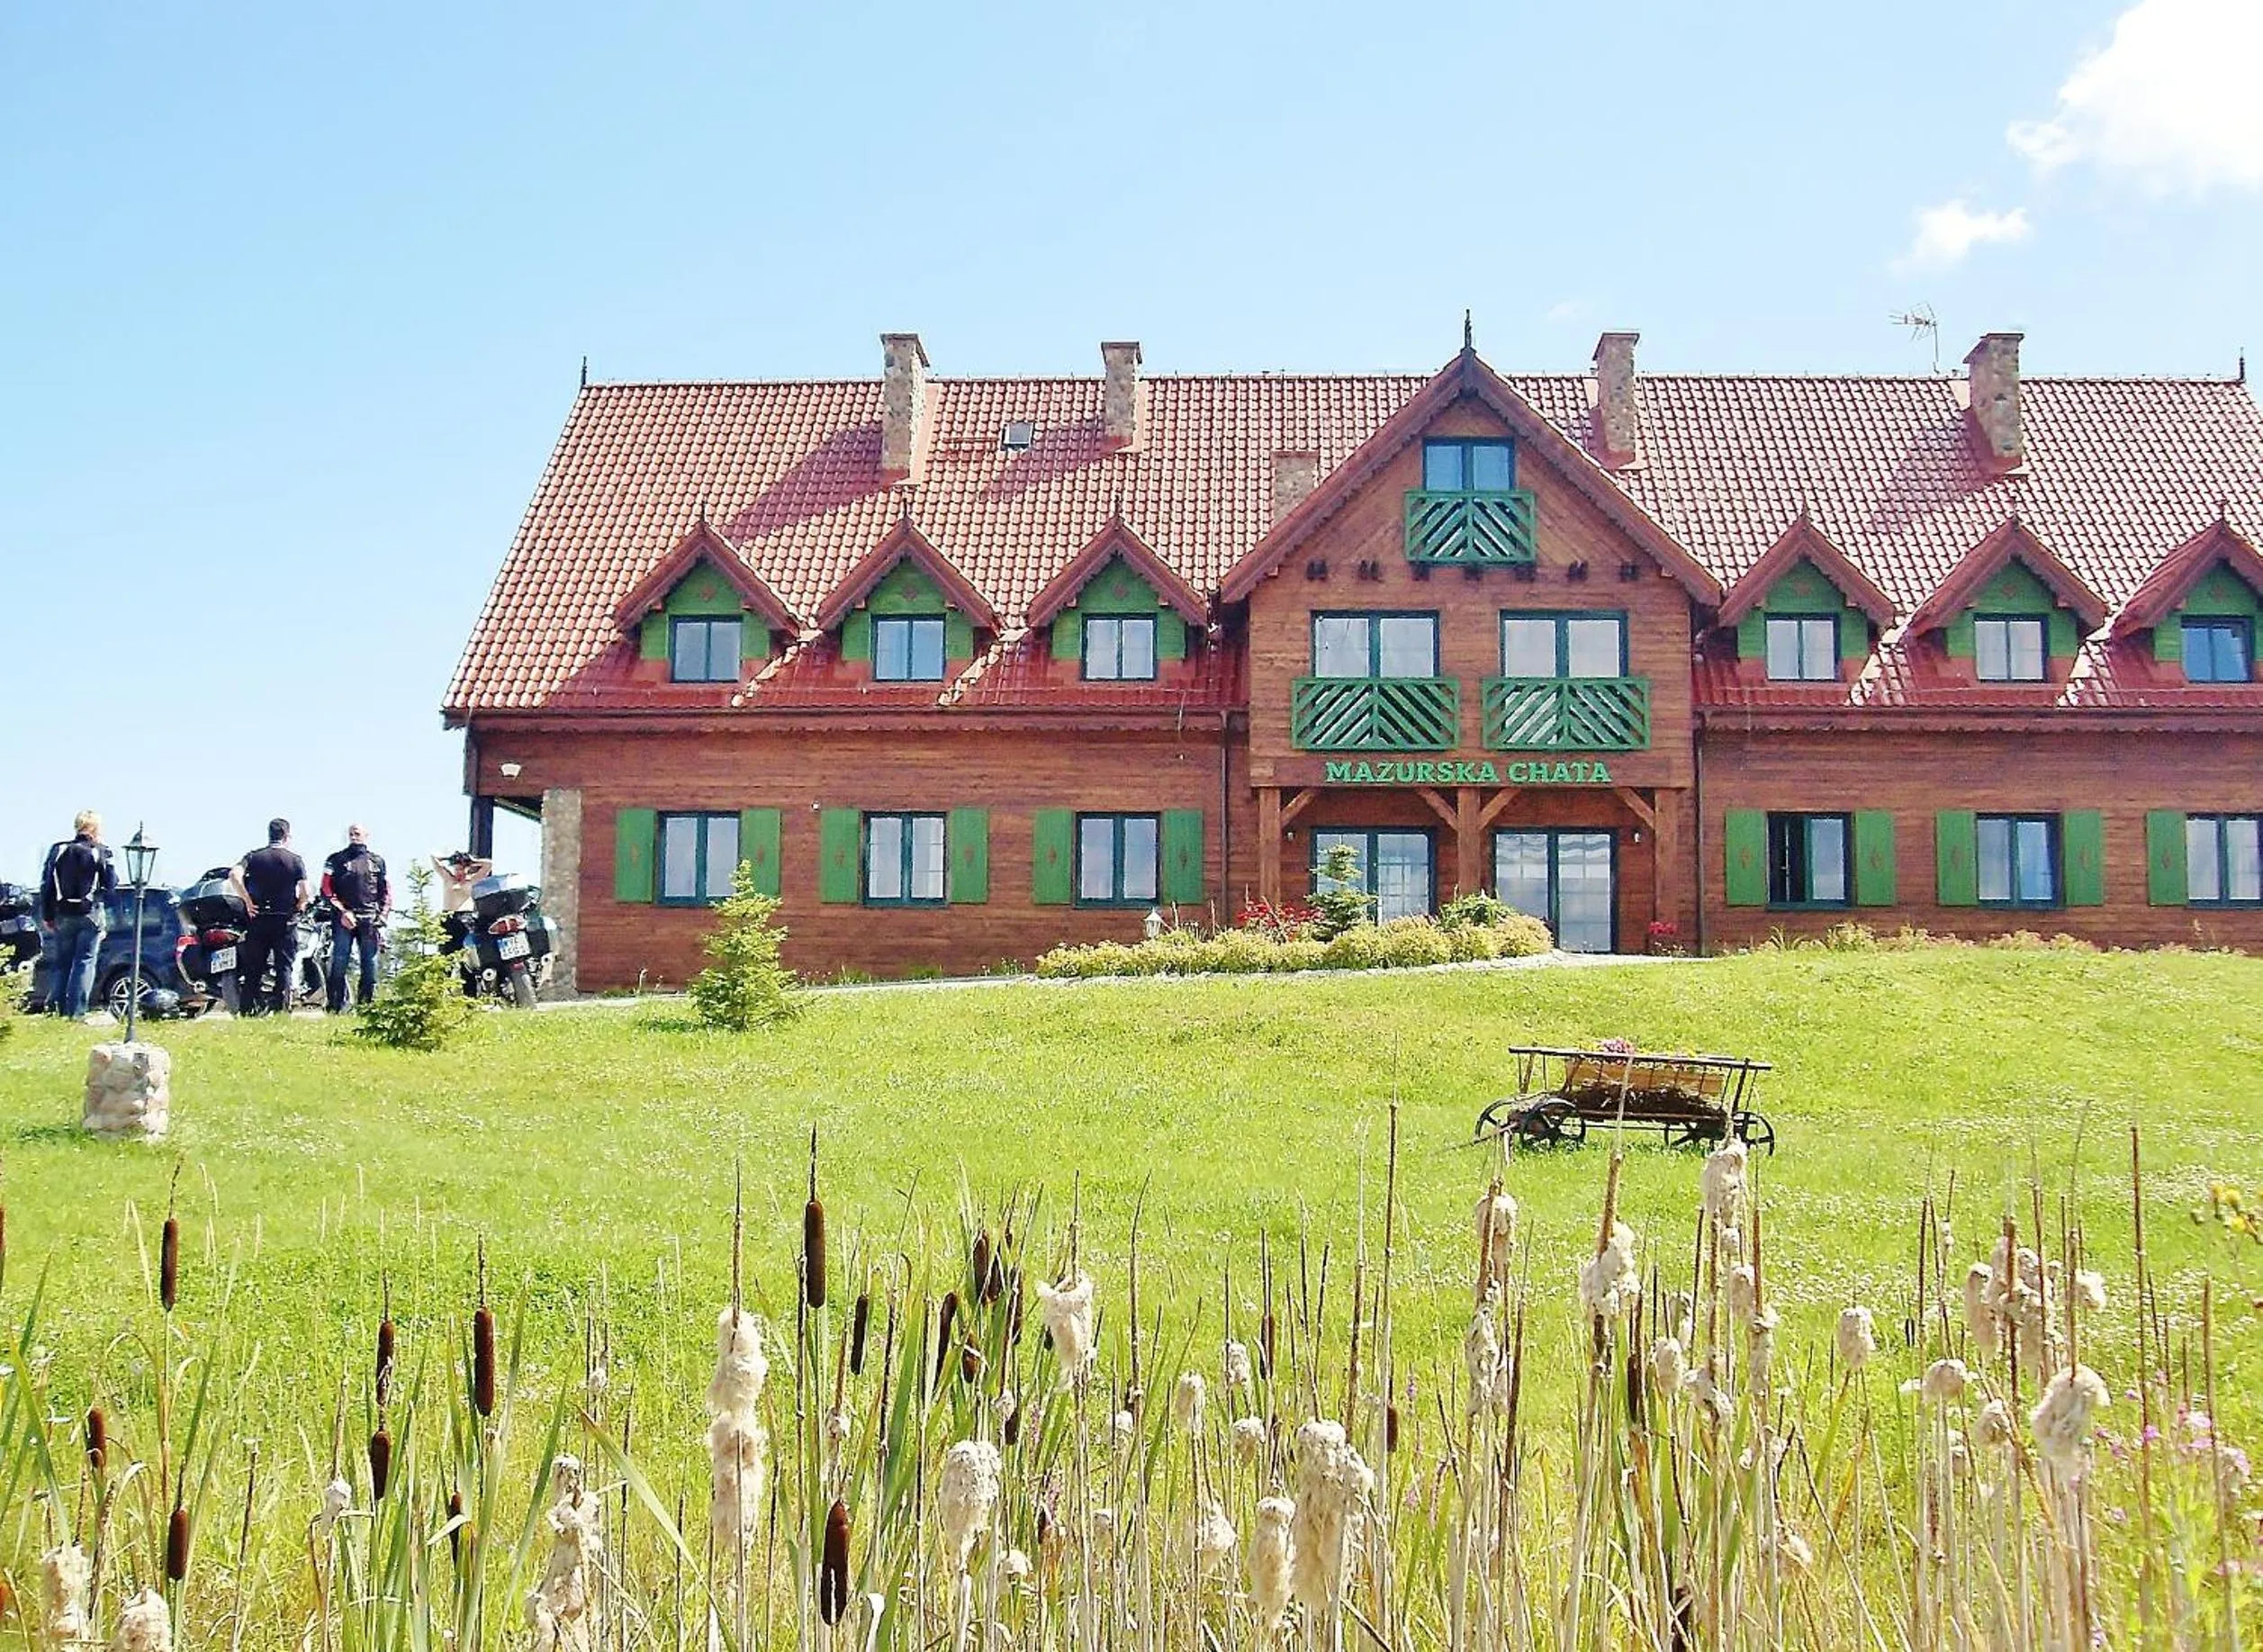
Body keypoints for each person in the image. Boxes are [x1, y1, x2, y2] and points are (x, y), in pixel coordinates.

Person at [39, 810, 116, 1020]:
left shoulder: (59, 849)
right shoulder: (99, 850)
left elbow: (46, 884)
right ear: (95, 828)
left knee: (62, 962)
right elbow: (110, 884)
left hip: (63, 913)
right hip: (90, 914)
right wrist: (107, 855)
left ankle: (55, 1008)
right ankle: (77, 1012)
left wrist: (47, 915)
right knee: (84, 961)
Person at [229, 818, 309, 1016]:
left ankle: (247, 1010)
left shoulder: (254, 857)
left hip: (259, 916)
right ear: (287, 836)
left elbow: (234, 874)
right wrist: (300, 903)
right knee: (284, 967)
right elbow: (305, 889)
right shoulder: (295, 859)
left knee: (254, 967)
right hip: (284, 919)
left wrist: (246, 899)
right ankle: (280, 1009)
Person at [321, 825, 390, 1012]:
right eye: (351, 833)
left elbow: (386, 891)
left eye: (357, 833)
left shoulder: (377, 861)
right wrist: (343, 911)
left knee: (370, 963)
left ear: (367, 836)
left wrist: (383, 915)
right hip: (343, 918)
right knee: (339, 961)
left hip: (369, 920)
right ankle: (335, 1006)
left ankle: (366, 1006)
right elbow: (326, 889)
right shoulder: (335, 860)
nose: (354, 836)